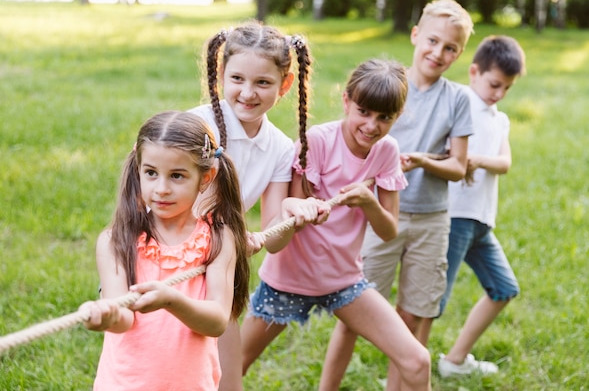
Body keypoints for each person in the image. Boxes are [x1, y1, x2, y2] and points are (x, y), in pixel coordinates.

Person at [240, 59, 432, 391]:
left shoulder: (386, 151)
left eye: (384, 117)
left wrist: (368, 201)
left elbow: (389, 232)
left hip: (343, 281)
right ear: (346, 101)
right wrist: (301, 209)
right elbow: (287, 224)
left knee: (418, 361)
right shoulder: (317, 141)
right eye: (364, 112)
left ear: (397, 117)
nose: (371, 125)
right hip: (288, 280)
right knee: (230, 365)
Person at [320, 0, 475, 390]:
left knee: (412, 317)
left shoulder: (457, 99)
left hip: (430, 219)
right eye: (433, 41)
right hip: (380, 217)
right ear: (415, 35)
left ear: (459, 54)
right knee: (354, 315)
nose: (438, 53)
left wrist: (422, 161)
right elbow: (356, 143)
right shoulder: (386, 87)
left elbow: (458, 166)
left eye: (450, 48)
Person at [188, 21, 322, 391]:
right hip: (170, 263)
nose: (248, 93)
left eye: (263, 82)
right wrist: (232, 234)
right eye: (238, 79)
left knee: (227, 379)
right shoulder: (196, 126)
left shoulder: (280, 148)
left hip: (220, 271)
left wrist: (294, 211)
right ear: (221, 76)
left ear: (285, 85)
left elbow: (274, 239)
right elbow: (165, 203)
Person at [80, 111, 250, 391]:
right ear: (138, 169)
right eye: (151, 173)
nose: (161, 189)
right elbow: (123, 317)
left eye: (177, 176)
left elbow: (218, 320)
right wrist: (108, 316)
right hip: (124, 384)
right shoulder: (117, 240)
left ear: (206, 177)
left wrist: (172, 300)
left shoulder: (218, 238)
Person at [437, 35, 526, 377]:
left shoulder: (499, 118)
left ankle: (454, 361)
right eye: (494, 84)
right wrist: (462, 159)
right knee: (432, 304)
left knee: (504, 289)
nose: (499, 94)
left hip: (481, 222)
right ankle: (403, 373)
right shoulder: (460, 104)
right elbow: (446, 153)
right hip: (456, 217)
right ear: (474, 71)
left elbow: (504, 163)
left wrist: (475, 160)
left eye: (507, 88)